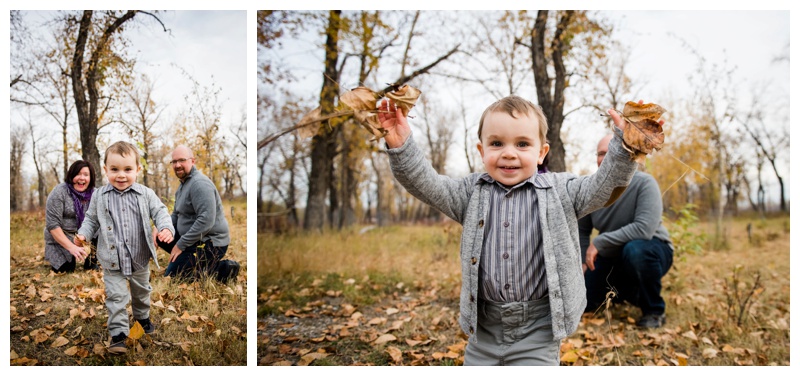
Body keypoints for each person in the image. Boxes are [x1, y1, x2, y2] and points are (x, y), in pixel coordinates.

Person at [379, 95, 658, 365]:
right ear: (482, 151)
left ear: (541, 152)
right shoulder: (470, 194)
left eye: (523, 144)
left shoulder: (562, 191)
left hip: (539, 327)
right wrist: (401, 144)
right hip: (484, 327)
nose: (509, 153)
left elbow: (603, 187)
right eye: (497, 143)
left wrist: (623, 147)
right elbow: (426, 184)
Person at [74, 141, 174, 354]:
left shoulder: (145, 194)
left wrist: (165, 227)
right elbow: (91, 219)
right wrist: (83, 233)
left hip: (139, 257)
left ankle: (142, 318)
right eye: (115, 169)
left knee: (141, 292)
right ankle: (118, 334)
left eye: (128, 169)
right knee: (116, 296)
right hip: (112, 259)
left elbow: (160, 211)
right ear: (105, 170)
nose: (121, 175)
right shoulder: (100, 196)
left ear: (138, 170)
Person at [580, 134, 674, 328]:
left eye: (612, 152)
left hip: (651, 249)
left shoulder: (644, 184)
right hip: (612, 254)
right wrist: (581, 263)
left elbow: (644, 229)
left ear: (627, 156)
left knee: (635, 251)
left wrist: (599, 242)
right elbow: (582, 230)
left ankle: (654, 311)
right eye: (600, 154)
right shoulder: (590, 190)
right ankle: (629, 293)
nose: (605, 158)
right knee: (585, 301)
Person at [156, 146, 239, 283]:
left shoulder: (199, 184)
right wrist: (161, 226)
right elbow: (176, 214)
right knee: (161, 236)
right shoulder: (183, 185)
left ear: (192, 161)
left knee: (174, 277)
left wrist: (180, 245)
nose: (177, 165)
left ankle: (224, 269)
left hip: (210, 243)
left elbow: (206, 221)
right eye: (174, 162)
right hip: (192, 240)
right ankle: (186, 260)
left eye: (182, 160)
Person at [44, 160, 99, 273]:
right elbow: (52, 225)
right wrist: (71, 247)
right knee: (65, 269)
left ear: (91, 178)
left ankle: (92, 260)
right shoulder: (59, 192)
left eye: (86, 175)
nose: (81, 178)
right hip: (62, 237)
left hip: (86, 236)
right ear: (71, 175)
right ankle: (65, 256)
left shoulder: (96, 194)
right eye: (78, 174)